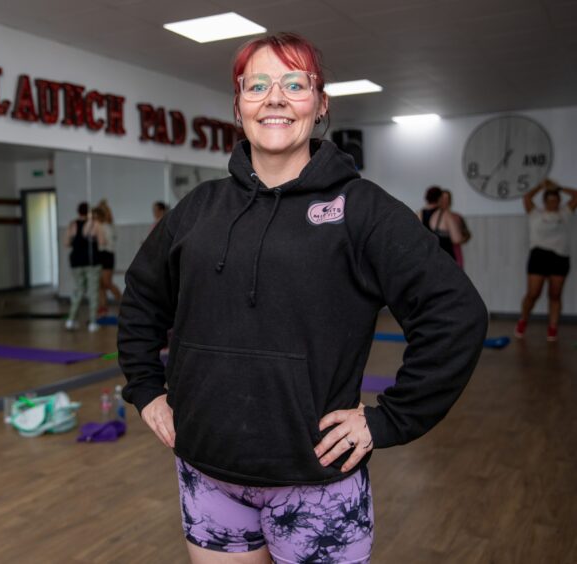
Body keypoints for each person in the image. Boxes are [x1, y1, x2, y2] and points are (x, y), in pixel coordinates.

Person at [118, 32, 488, 563]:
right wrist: (147, 389)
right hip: (207, 471)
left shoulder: (362, 209)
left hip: (317, 482)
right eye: (257, 85)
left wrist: (390, 418)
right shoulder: (199, 209)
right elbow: (141, 297)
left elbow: (455, 314)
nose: (275, 98)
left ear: (319, 104)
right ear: (238, 103)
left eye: (295, 83)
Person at [515, 178, 577, 342]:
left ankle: (552, 328)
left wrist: (559, 187)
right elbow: (527, 198)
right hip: (539, 256)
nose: (553, 203)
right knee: (533, 294)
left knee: (555, 295)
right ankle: (523, 320)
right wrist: (541, 185)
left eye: (556, 200)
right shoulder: (536, 214)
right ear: (544, 201)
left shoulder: (565, 212)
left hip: (560, 257)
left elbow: (576, 195)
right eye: (550, 200)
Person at [64, 202, 104, 333]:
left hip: (76, 261)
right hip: (91, 262)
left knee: (79, 290)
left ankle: (70, 320)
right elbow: (102, 242)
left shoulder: (72, 225)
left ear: (78, 212)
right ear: (88, 212)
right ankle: (92, 322)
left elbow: (66, 243)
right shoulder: (95, 224)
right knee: (93, 291)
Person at [418, 185, 462, 261]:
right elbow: (456, 239)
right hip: (445, 259)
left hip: (426, 259)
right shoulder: (445, 214)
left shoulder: (419, 214)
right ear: (439, 198)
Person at [94, 200, 122, 317]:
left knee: (107, 283)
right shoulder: (101, 226)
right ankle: (103, 307)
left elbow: (105, 242)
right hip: (100, 255)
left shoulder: (106, 226)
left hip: (107, 255)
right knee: (100, 285)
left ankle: (125, 304)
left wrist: (103, 206)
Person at [439, 189, 471, 268]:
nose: (444, 201)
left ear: (450, 201)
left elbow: (466, 233)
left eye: (447, 199)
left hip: (454, 250)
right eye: (442, 199)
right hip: (439, 251)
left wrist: (459, 239)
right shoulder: (433, 218)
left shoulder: (456, 217)